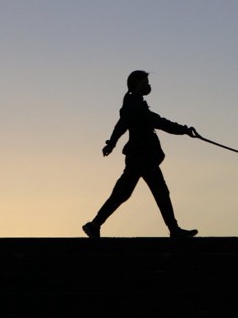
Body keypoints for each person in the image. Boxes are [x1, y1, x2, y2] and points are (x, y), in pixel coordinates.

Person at [83, 70, 198, 238]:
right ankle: (174, 230)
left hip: (141, 157)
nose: (149, 85)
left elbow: (159, 122)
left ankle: (94, 225)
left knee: (124, 193)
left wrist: (184, 130)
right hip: (141, 156)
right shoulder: (134, 103)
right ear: (137, 83)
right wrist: (111, 143)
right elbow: (122, 124)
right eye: (146, 81)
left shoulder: (138, 104)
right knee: (158, 192)